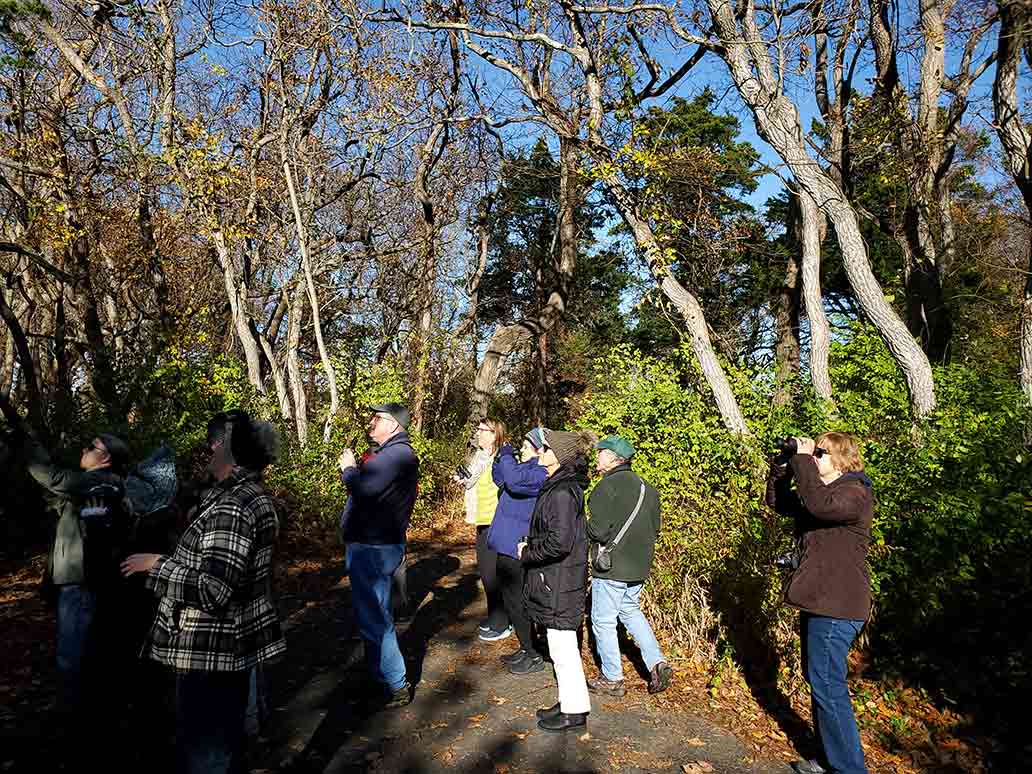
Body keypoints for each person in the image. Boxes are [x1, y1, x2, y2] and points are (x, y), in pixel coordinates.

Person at [121, 410, 285, 774]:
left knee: (206, 754)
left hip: (211, 652)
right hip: (223, 648)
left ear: (233, 450)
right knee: (220, 745)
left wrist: (156, 565)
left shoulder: (234, 506)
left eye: (217, 443)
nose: (209, 450)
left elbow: (213, 590)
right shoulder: (239, 496)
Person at [766, 432, 873, 774]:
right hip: (822, 602)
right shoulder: (824, 493)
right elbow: (780, 504)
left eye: (820, 453)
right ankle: (832, 761)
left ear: (842, 459)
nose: (814, 457)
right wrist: (782, 469)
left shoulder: (855, 492)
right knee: (822, 683)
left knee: (828, 685)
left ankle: (848, 769)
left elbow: (819, 506)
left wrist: (802, 459)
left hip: (838, 606)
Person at [21, 428, 130, 725]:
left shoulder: (99, 482)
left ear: (105, 457)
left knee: (72, 655)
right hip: (84, 582)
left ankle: (74, 724)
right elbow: (57, 496)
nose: (83, 448)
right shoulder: (98, 486)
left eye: (91, 445)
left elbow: (54, 478)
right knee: (84, 651)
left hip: (81, 584)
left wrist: (25, 441)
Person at [338, 402, 420, 708]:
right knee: (374, 614)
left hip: (373, 548)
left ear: (395, 425)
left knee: (375, 618)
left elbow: (363, 490)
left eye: (378, 419)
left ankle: (396, 683)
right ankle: (380, 677)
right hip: (375, 545)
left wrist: (348, 468)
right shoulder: (394, 455)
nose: (371, 423)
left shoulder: (396, 455)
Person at [517, 427, 594, 733]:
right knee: (560, 647)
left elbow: (559, 543)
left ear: (558, 456)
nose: (539, 452)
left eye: (544, 448)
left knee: (563, 648)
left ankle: (575, 711)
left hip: (559, 579)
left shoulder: (562, 491)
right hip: (557, 577)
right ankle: (569, 701)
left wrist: (527, 552)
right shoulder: (559, 486)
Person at [586, 435, 673, 697]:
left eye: (600, 453)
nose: (596, 457)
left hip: (611, 567)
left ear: (613, 458)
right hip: (639, 566)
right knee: (631, 612)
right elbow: (655, 529)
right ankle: (657, 663)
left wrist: (577, 524)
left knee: (602, 620)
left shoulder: (606, 487)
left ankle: (612, 677)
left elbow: (598, 531)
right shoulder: (649, 488)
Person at [488, 429, 548, 673]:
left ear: (539, 449)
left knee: (519, 602)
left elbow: (512, 480)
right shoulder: (524, 468)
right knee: (511, 601)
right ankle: (526, 647)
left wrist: (506, 457)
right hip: (505, 544)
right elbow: (500, 479)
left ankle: (533, 653)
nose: (521, 449)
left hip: (517, 547)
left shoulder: (540, 473)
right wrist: (499, 457)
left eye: (526, 445)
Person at [455, 418, 511, 642]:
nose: (478, 433)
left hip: (496, 521)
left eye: (482, 430)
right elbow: (472, 480)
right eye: (477, 429)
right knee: (487, 574)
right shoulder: (481, 456)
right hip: (482, 520)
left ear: (494, 433)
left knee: (492, 575)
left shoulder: (502, 458)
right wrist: (462, 478)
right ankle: (495, 616)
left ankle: (503, 623)